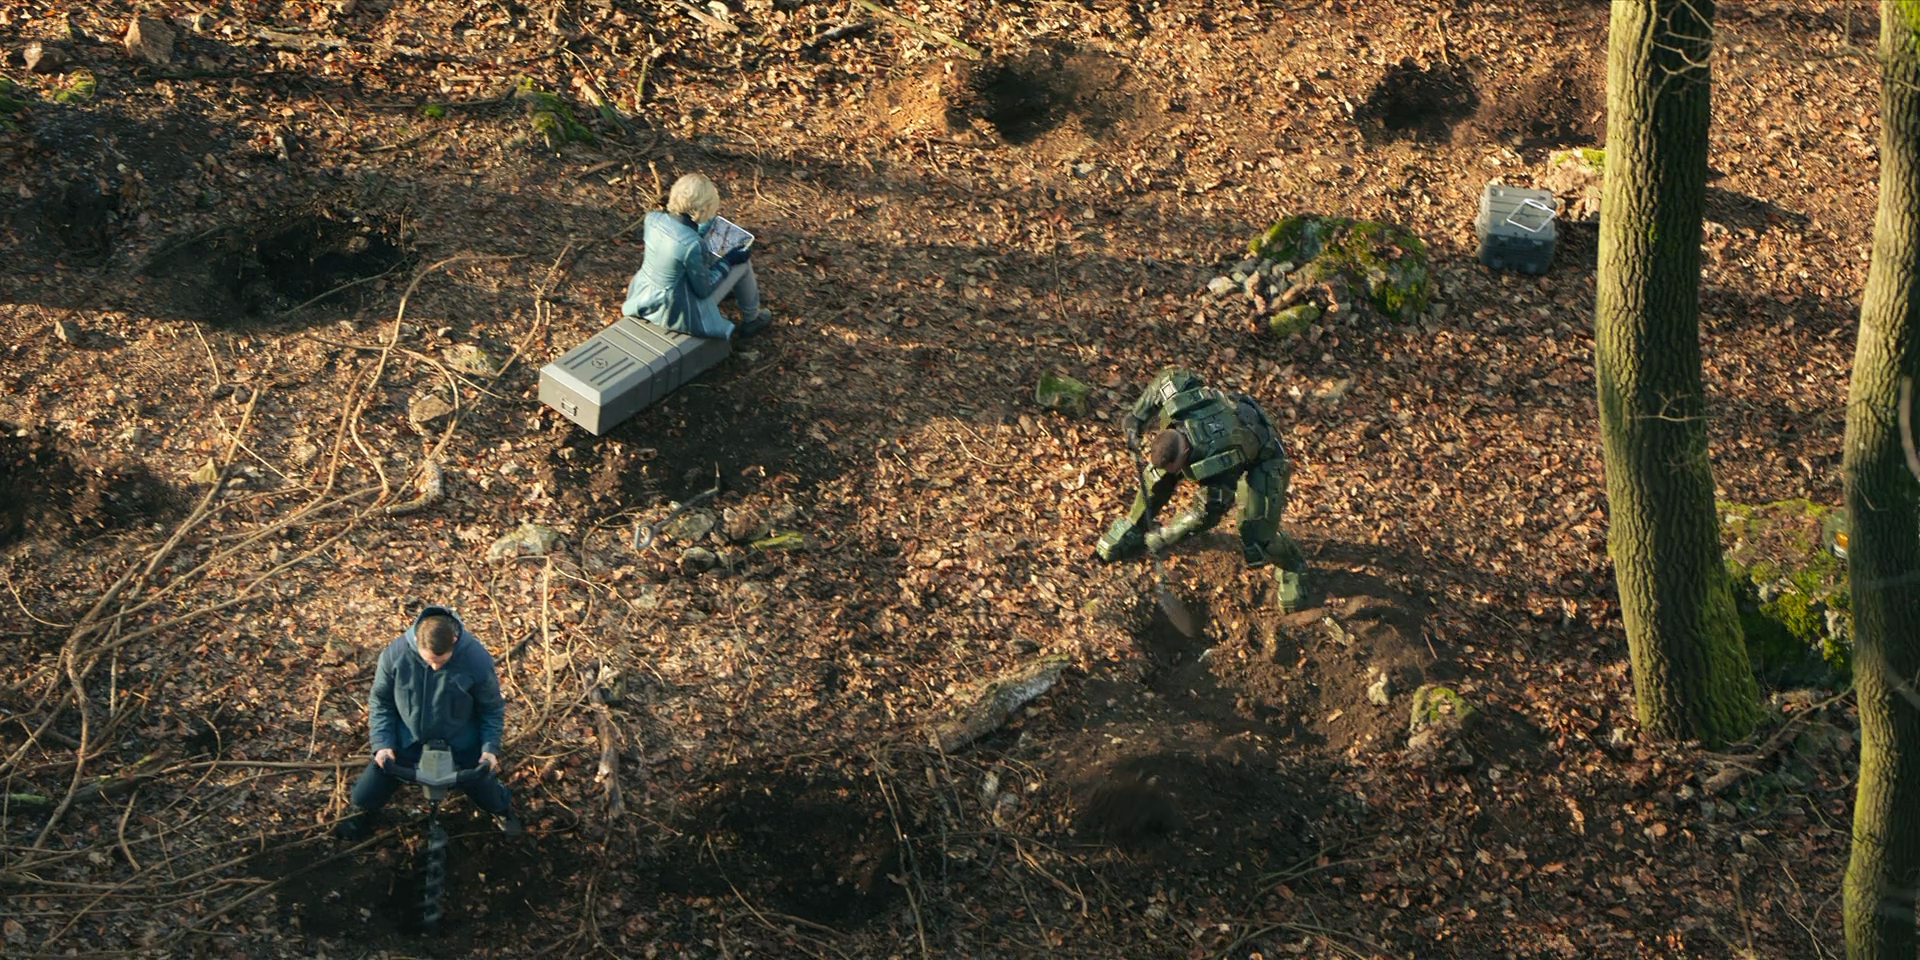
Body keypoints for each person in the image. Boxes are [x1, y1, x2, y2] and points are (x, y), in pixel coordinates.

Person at [1094, 367, 1311, 612]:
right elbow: (1169, 377)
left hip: (1263, 452)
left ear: (1185, 453)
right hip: (1231, 415)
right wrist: (1137, 416)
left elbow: (1207, 513)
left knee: (1258, 535)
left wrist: (1166, 536)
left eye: (1176, 467)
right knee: (1156, 478)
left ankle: (1294, 567)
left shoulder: (1219, 463)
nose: (1175, 472)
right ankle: (1134, 527)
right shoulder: (1180, 408)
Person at [333, 607, 523, 840]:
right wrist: (383, 744)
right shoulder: (395, 656)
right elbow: (381, 702)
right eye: (429, 661)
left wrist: (489, 750)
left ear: (454, 640)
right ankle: (363, 814)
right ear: (416, 641)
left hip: (461, 743)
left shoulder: (476, 660)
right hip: (408, 741)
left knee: (489, 793)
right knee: (363, 796)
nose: (435, 668)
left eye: (442, 662)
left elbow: (491, 709)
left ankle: (501, 811)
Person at [621, 173, 772, 341]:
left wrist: (704, 230)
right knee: (742, 264)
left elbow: (675, 245)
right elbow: (704, 290)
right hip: (675, 311)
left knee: (712, 249)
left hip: (643, 296)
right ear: (704, 208)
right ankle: (752, 319)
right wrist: (729, 261)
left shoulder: (652, 219)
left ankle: (731, 290)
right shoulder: (693, 245)